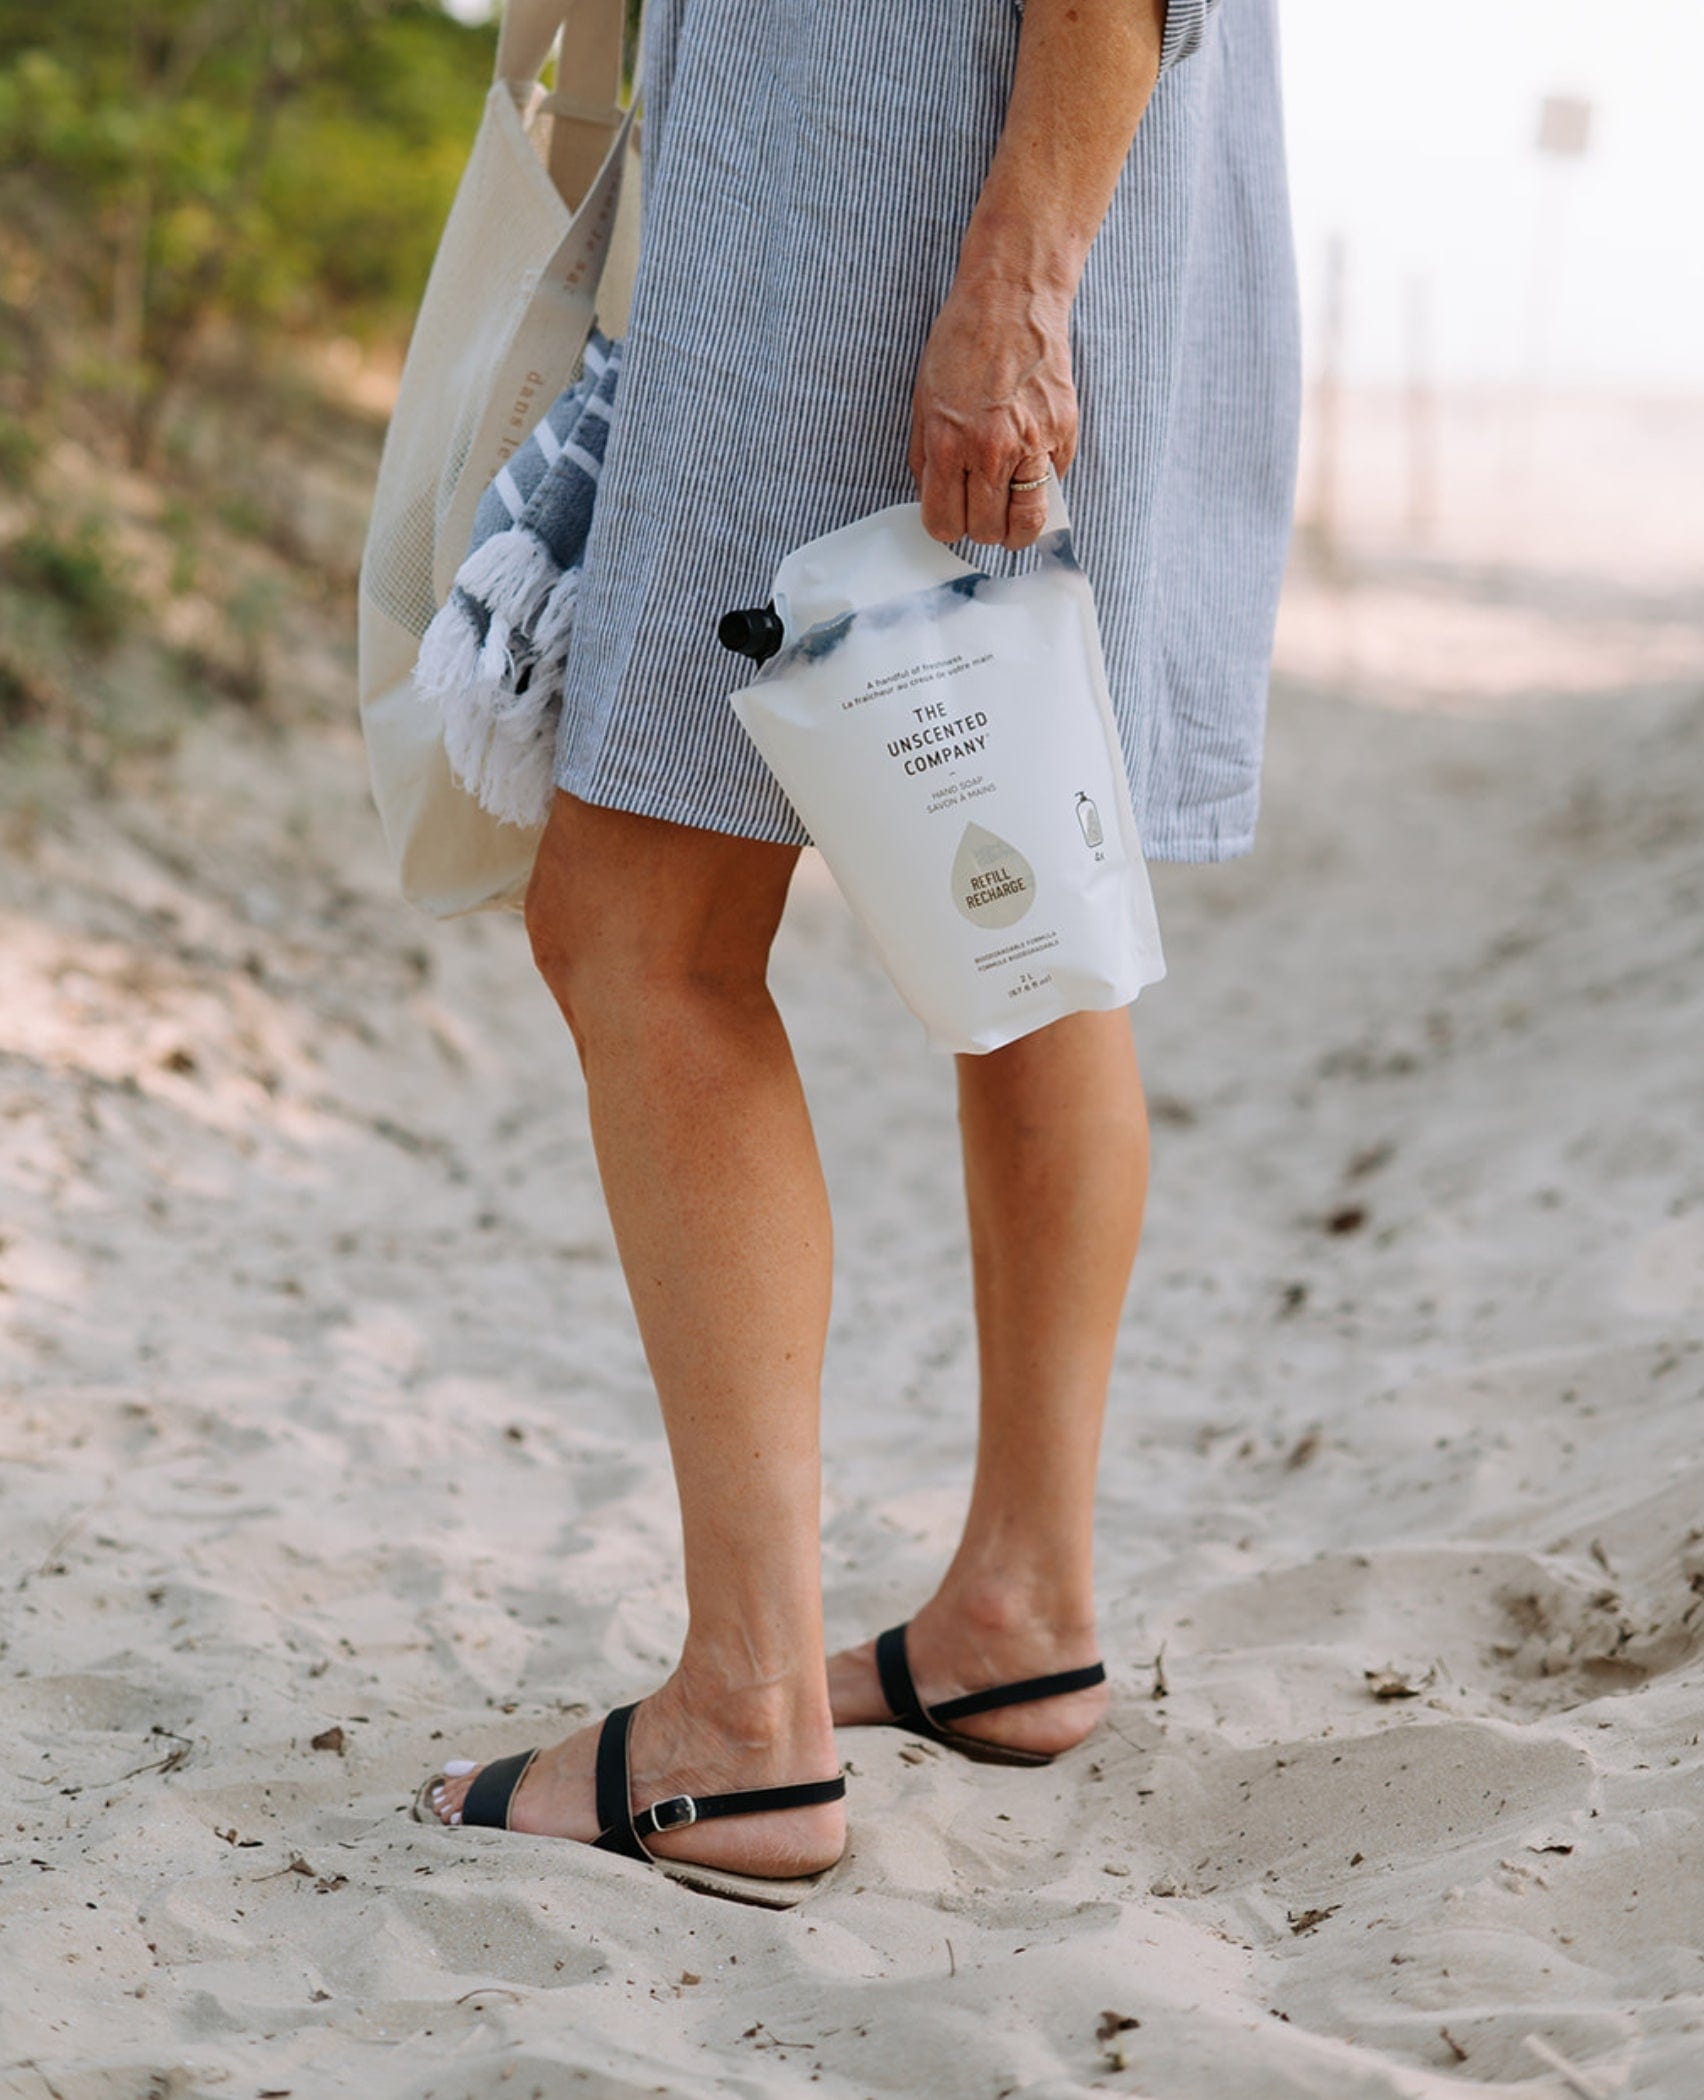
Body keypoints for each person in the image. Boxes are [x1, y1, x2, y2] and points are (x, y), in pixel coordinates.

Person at [417, 0, 1299, 1900]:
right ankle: (1020, 1605)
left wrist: (1018, 272)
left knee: (640, 923)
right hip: (1048, 175)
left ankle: (742, 1717)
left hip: (902, 187)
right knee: (1017, 864)